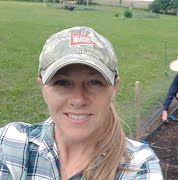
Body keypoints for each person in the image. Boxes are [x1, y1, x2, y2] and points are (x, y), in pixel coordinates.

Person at [0, 26, 163, 180]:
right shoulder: (11, 144)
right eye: (62, 83)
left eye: (94, 82)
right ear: (42, 87)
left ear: (114, 88)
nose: (78, 100)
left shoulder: (138, 166)